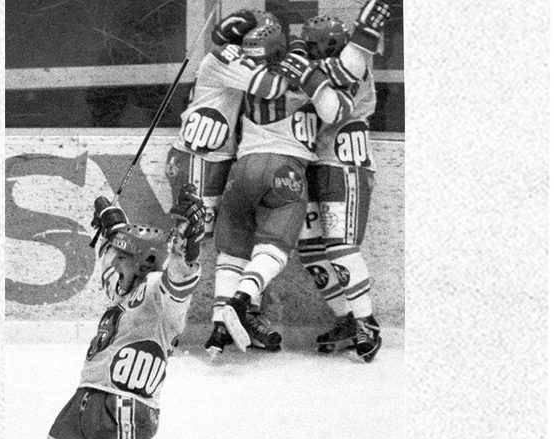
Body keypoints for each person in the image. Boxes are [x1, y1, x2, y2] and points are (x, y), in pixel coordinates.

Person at [205, 21, 360, 356]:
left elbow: (227, 70)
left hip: (242, 170)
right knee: (273, 248)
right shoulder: (313, 73)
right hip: (285, 170)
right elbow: (336, 109)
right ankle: (242, 299)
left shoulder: (249, 74)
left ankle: (219, 327)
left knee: (232, 251)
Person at [37, 184, 205, 439]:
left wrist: (187, 244)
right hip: (80, 405)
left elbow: (181, 276)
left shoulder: (157, 293)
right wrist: (112, 224)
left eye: (121, 258)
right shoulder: (122, 291)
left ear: (143, 264)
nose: (113, 263)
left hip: (124, 410)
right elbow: (118, 253)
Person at [295, 0, 391, 362]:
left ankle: (367, 322)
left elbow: (338, 76)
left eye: (313, 45)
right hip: (315, 163)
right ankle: (347, 318)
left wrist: (365, 33)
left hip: (345, 162)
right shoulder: (324, 66)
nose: (307, 50)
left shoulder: (353, 61)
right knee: (310, 249)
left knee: (340, 247)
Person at [165, 9, 287, 236]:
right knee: (193, 236)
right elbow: (271, 87)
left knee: (207, 236)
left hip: (215, 158)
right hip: (200, 158)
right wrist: (296, 59)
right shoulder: (227, 55)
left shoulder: (236, 58)